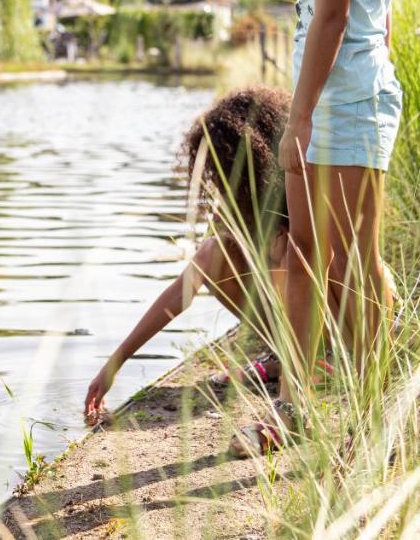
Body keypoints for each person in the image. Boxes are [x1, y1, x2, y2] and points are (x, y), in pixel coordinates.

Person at [238, 0, 414, 455]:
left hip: (344, 107)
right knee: (306, 251)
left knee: (358, 261)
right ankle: (292, 406)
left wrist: (300, 114)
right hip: (342, 98)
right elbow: (377, 19)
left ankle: (376, 421)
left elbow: (335, 19)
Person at [83, 86, 302, 424]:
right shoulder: (237, 209)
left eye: (222, 168)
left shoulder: (297, 185)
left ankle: (306, 364)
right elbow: (181, 291)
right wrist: (116, 362)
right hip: (287, 325)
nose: (215, 180)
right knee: (216, 252)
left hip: (328, 321)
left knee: (285, 251)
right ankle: (281, 355)